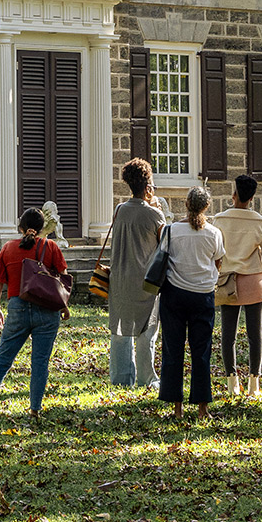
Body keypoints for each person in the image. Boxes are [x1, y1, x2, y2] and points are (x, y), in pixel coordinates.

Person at [0, 207, 68, 416]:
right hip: (47, 310)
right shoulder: (51, 247)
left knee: (3, 358)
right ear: (42, 228)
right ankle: (34, 409)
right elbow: (63, 278)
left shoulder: (8, 249)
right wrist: (63, 306)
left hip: (18, 308)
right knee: (40, 361)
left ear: (20, 227)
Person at [158, 187, 225, 419]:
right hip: (203, 295)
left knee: (173, 350)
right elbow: (218, 262)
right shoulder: (214, 233)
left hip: (174, 294)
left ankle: (177, 408)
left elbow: (162, 259)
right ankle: (202, 408)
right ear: (206, 207)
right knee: (201, 351)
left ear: (186, 205)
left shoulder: (171, 230)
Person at [213, 174, 262, 398]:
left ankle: (232, 381)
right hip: (253, 279)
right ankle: (254, 383)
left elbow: (214, 253)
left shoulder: (219, 220)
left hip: (227, 280)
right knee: (255, 334)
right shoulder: (260, 223)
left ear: (234, 195)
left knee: (228, 334)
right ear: (252, 198)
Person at [106, 158, 165, 391]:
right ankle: (146, 377)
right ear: (147, 186)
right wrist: (157, 209)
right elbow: (164, 245)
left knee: (120, 329)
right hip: (145, 279)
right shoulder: (154, 215)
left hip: (119, 276)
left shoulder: (119, 210)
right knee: (146, 330)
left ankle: (121, 377)